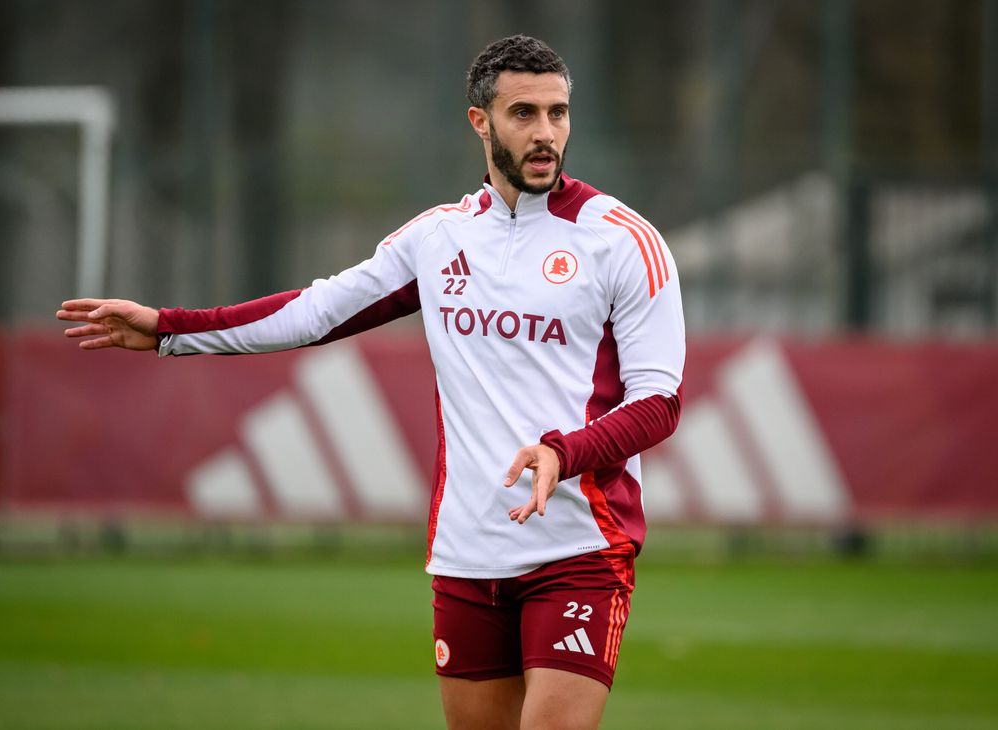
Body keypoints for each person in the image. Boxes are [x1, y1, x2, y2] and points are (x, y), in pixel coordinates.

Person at [57, 34, 684, 730]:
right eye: (523, 114)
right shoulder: (439, 237)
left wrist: (563, 452)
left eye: (558, 113)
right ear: (480, 122)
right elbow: (317, 310)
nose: (545, 134)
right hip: (467, 552)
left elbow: (658, 402)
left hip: (580, 546)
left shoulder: (623, 240)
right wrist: (172, 328)